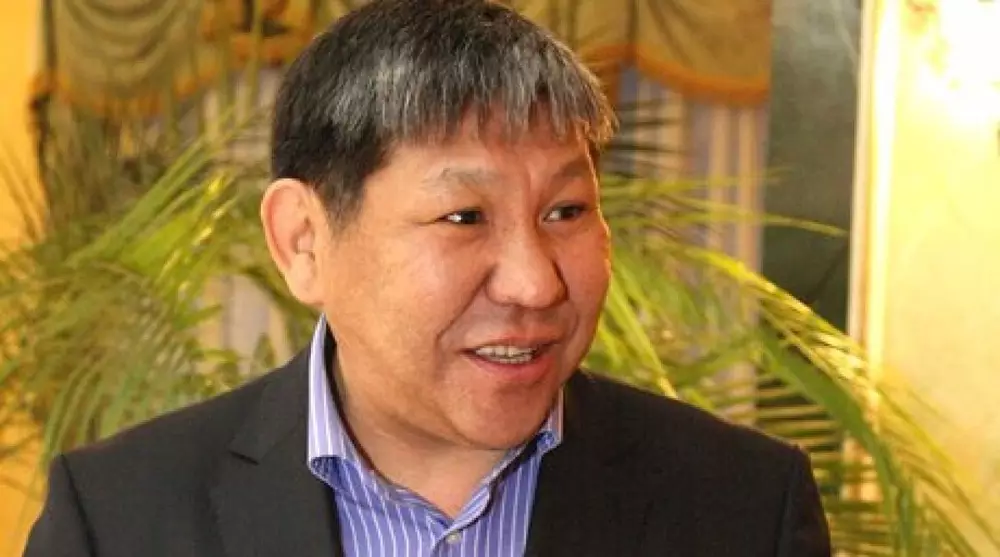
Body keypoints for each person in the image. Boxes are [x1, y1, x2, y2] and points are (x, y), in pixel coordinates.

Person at [23, 1, 831, 555]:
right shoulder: (118, 518)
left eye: (566, 210)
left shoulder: (743, 508)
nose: (535, 284)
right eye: (464, 216)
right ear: (303, 241)